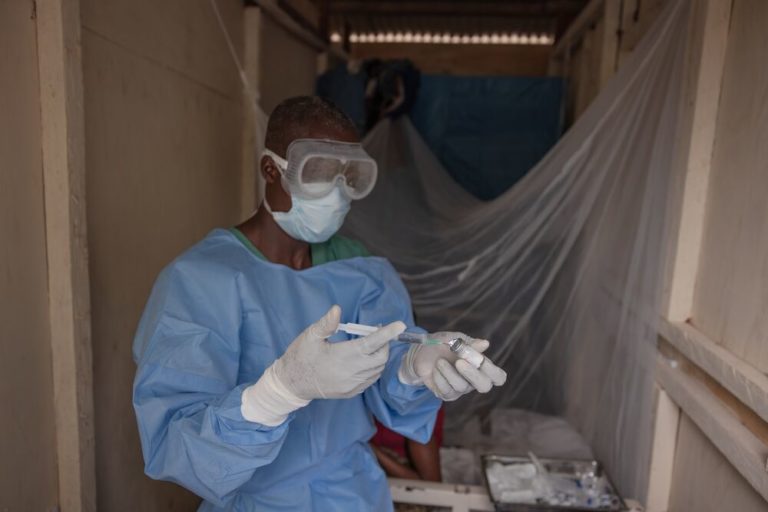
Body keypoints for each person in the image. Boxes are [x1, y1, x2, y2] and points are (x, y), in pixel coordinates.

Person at [132, 96, 506, 511]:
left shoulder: (362, 271)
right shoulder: (200, 281)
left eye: (349, 176)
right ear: (271, 169)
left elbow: (388, 384)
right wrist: (278, 391)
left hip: (354, 495)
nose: (337, 192)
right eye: (320, 172)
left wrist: (412, 367)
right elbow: (177, 444)